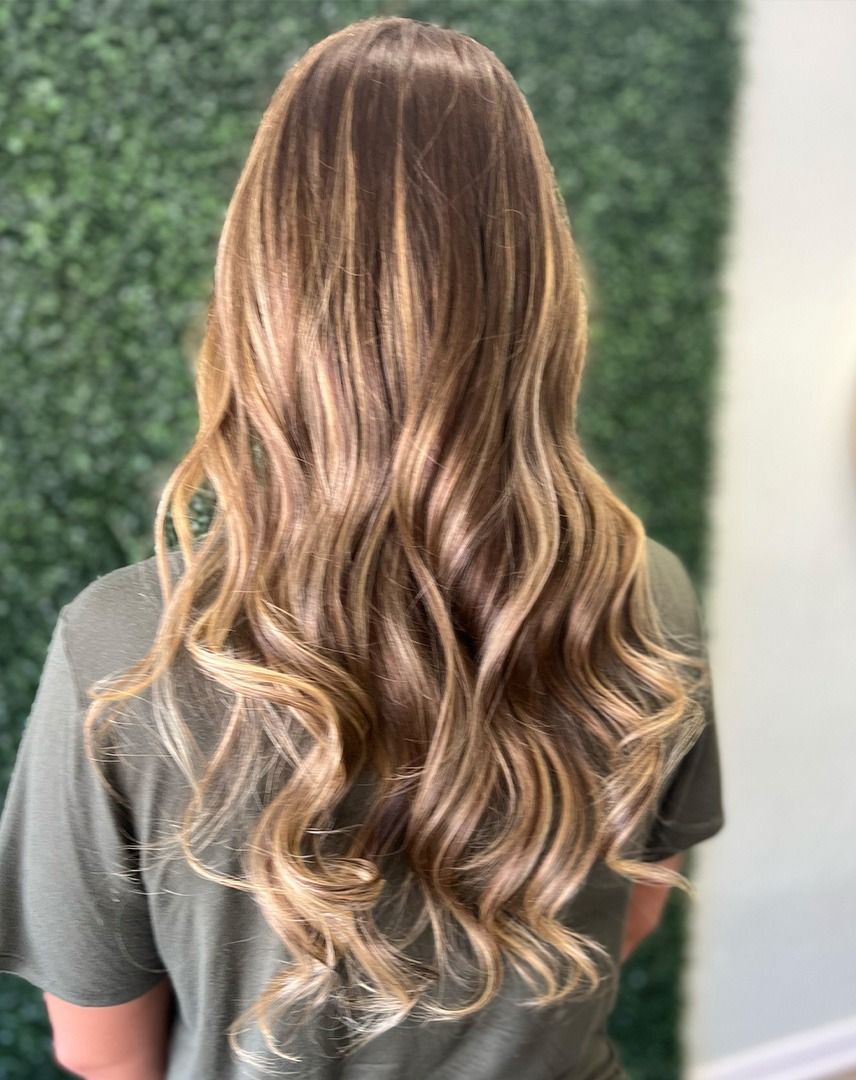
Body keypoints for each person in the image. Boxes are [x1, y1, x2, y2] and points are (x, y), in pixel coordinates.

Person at [0, 15, 724, 1080]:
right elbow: (632, 914)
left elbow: (103, 1050)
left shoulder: (124, 650)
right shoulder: (646, 591)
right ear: (537, 290)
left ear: (263, 293)